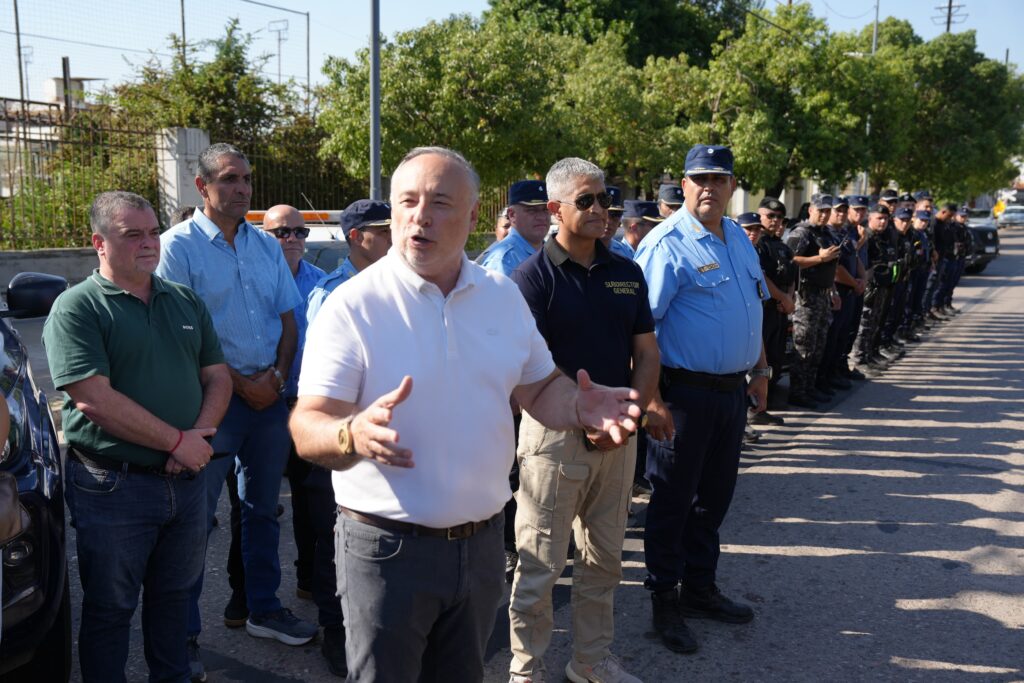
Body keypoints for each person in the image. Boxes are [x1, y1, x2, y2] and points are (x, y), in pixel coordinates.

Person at [289, 146, 642, 681]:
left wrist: (578, 404)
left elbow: (540, 386)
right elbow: (307, 424)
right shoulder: (353, 304)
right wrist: (350, 434)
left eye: (439, 202)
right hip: (386, 551)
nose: (420, 216)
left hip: (480, 547)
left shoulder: (500, 295)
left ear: (473, 216)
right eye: (407, 201)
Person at [43, 191, 232, 682]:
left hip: (186, 480)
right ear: (99, 243)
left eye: (152, 232)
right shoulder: (77, 308)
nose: (149, 243)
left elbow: (217, 376)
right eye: (133, 235)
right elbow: (93, 399)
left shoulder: (182, 299)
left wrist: (197, 438)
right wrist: (178, 443)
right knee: (110, 608)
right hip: (114, 486)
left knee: (175, 601)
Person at [156, 143, 317, 681]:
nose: (242, 188)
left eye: (246, 179)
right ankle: (183, 635)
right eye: (229, 179)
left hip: (268, 402)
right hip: (210, 406)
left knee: (263, 510)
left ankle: (263, 608)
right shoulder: (177, 248)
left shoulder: (265, 245)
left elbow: (288, 320)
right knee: (194, 522)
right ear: (202, 187)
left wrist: (276, 379)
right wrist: (239, 385)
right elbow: (180, 334)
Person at [507, 158, 662, 683]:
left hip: (618, 436)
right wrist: (584, 411)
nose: (602, 209)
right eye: (587, 200)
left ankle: (590, 662)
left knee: (604, 561)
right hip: (554, 438)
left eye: (606, 199)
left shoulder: (626, 271)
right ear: (556, 209)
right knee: (540, 566)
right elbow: (530, 365)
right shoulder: (531, 278)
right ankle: (526, 670)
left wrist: (628, 416)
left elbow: (647, 353)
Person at [635, 145, 769, 656]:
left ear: (733, 186)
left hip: (731, 392)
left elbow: (752, 308)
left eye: (719, 178)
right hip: (682, 395)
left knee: (713, 499)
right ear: (685, 184)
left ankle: (699, 587)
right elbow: (640, 330)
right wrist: (652, 401)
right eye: (700, 179)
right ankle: (664, 600)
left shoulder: (736, 236)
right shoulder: (666, 244)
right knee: (672, 501)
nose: (710, 187)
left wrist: (760, 370)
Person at [305, 198, 391, 677]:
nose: (395, 236)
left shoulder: (400, 285)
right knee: (333, 534)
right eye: (384, 230)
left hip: (384, 432)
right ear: (357, 237)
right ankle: (335, 629)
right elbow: (320, 382)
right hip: (343, 433)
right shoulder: (333, 293)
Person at [786, 194, 841, 409]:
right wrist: (820, 258)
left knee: (818, 345)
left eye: (828, 211)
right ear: (810, 210)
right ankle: (798, 392)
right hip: (806, 297)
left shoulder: (825, 233)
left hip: (822, 295)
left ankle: (810, 387)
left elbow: (831, 266)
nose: (824, 215)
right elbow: (791, 259)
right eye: (821, 211)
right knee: (804, 345)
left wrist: (833, 291)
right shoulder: (802, 232)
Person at [306, 199, 392, 323]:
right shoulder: (329, 293)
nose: (392, 239)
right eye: (384, 231)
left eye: (393, 231)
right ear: (356, 237)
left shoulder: (396, 284)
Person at [752, 198, 797, 425]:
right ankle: (753, 409)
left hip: (780, 309)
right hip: (765, 309)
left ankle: (763, 406)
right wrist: (782, 298)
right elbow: (762, 277)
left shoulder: (781, 245)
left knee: (776, 358)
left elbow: (791, 273)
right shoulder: (757, 245)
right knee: (760, 359)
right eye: (770, 216)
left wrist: (789, 298)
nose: (776, 220)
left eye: (779, 217)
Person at [851, 204, 899, 377]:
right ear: (870, 218)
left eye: (885, 218)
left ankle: (869, 355)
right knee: (865, 324)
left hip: (881, 285)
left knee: (874, 322)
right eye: (879, 218)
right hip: (869, 286)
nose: (883, 222)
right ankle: (859, 360)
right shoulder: (866, 236)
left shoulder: (883, 236)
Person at [478, 179, 550, 274]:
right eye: (532, 210)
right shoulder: (503, 261)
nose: (541, 217)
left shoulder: (550, 252)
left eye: (546, 209)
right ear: (512, 215)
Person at [602, 185, 635, 260]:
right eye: (605, 214)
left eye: (615, 215)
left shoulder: (626, 253)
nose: (609, 221)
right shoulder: (580, 251)